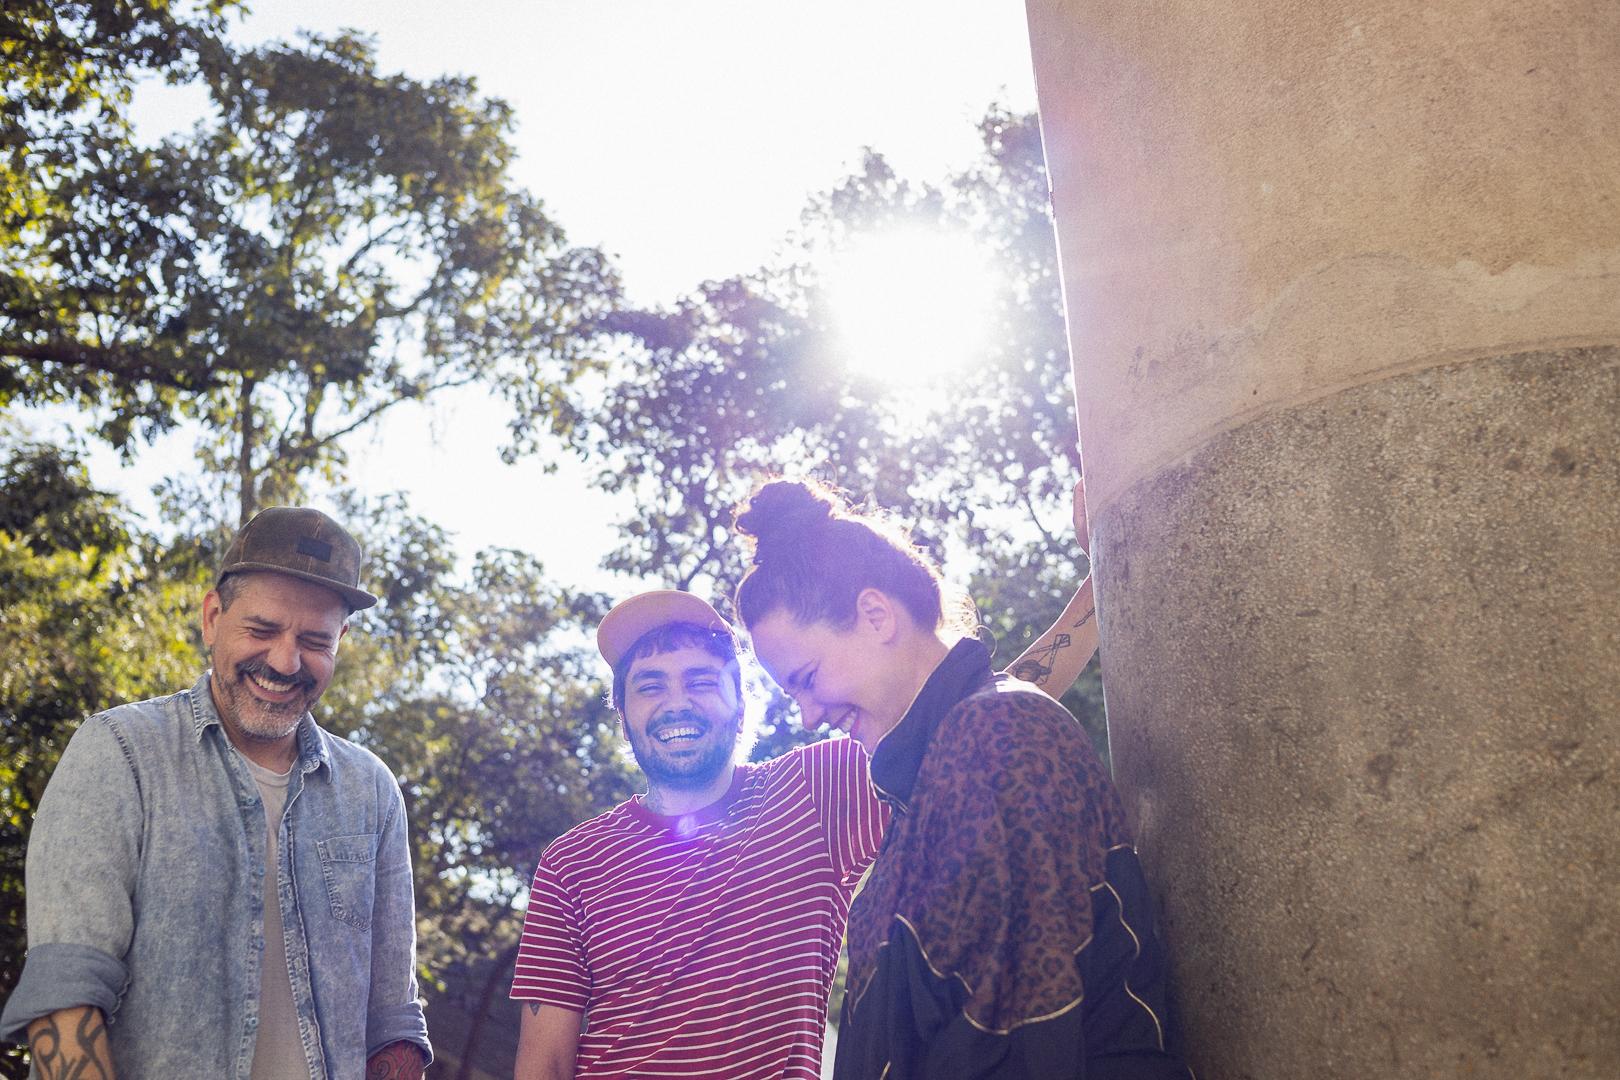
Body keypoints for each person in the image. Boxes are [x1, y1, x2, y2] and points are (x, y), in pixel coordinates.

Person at [736, 478, 1191, 1080]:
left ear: (875, 615)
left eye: (807, 677)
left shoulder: (998, 733)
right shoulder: (933, 777)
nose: (808, 715)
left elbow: (1024, 1038)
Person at [0, 507, 431, 1079]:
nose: (285, 661)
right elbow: (66, 994)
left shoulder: (372, 791)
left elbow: (392, 1025)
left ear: (341, 641)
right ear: (211, 617)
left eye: (314, 640)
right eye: (262, 630)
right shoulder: (120, 751)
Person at [509, 590, 887, 1079]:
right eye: (650, 687)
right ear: (623, 720)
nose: (677, 704)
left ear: (740, 706)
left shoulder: (818, 790)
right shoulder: (572, 863)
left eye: (700, 681)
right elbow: (545, 1063)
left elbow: (954, 714)